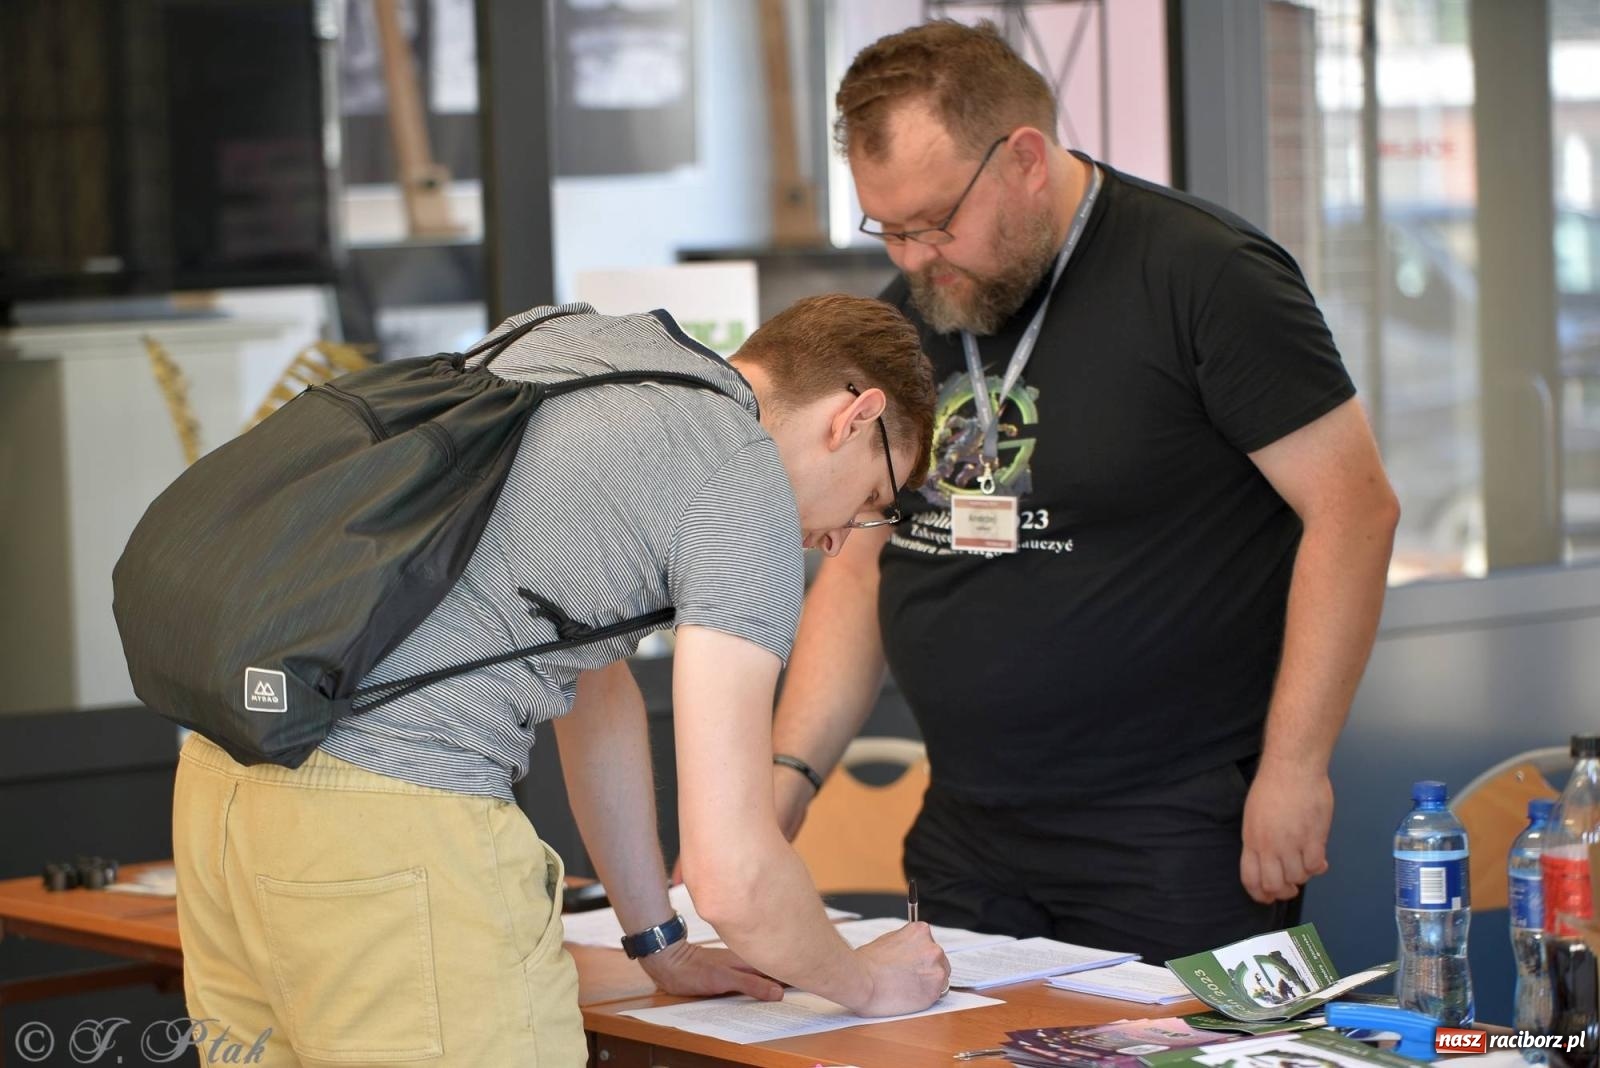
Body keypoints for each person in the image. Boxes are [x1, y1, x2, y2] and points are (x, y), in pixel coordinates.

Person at [171, 295, 949, 1065]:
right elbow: (733, 872)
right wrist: (869, 984)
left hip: (225, 790)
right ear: (855, 417)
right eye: (874, 499)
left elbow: (588, 678)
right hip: (396, 829)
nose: (843, 540)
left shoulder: (574, 344)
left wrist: (658, 941)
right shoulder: (742, 475)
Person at [769, 21, 1401, 964]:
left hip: (1173, 827)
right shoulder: (914, 316)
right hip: (967, 824)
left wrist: (1295, 767)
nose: (910, 258)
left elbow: (1354, 510)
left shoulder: (1205, 276)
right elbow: (862, 574)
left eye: (935, 221)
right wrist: (784, 783)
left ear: (1025, 159)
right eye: (887, 228)